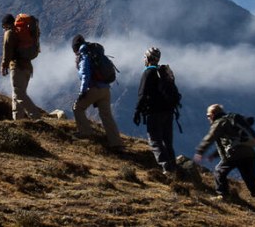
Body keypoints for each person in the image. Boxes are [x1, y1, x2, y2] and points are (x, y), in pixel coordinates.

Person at [193, 104, 255, 212]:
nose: (207, 117)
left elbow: (210, 138)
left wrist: (200, 151)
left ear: (213, 114)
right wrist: (214, 155)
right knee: (250, 180)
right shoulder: (231, 120)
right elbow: (229, 141)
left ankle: (222, 195)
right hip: (249, 153)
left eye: (208, 115)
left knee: (219, 171)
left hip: (235, 153)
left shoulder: (219, 122)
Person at [71, 34, 123, 150]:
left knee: (77, 108)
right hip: (106, 89)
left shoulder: (84, 54)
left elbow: (85, 75)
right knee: (106, 116)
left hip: (95, 88)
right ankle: (116, 143)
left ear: (75, 47)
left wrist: (82, 92)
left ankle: (86, 133)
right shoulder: (95, 51)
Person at [133, 47, 178, 175]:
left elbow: (142, 94)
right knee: (167, 141)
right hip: (168, 112)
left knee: (155, 140)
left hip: (155, 112)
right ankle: (173, 167)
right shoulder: (163, 73)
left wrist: (137, 111)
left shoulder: (148, 73)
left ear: (147, 58)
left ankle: (166, 168)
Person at [0, 13, 42, 120]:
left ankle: (36, 116)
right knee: (17, 93)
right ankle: (18, 119)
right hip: (27, 68)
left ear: (5, 24)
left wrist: (4, 65)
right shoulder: (21, 33)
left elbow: (7, 50)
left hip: (17, 67)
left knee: (18, 93)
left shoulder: (9, 33)